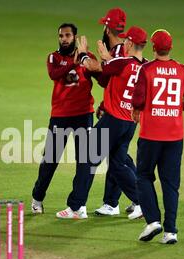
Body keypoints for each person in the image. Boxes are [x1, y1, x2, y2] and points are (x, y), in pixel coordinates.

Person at [56, 26, 147, 219]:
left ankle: (76, 207)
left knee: (87, 158)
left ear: (129, 43)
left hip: (113, 120)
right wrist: (107, 59)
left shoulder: (122, 62)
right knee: (117, 164)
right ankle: (141, 202)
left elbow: (93, 66)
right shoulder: (146, 66)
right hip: (131, 123)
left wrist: (81, 55)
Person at [132, 29, 184, 244]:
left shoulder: (147, 69)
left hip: (151, 134)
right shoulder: (183, 70)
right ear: (171, 47)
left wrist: (140, 109)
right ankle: (171, 231)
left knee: (143, 175)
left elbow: (138, 99)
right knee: (170, 184)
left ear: (153, 47)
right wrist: (172, 109)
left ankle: (152, 221)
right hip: (174, 135)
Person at [31, 23, 99, 214]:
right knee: (50, 160)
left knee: (84, 161)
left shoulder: (86, 57)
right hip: (60, 116)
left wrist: (92, 62)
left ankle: (79, 205)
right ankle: (37, 198)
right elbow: (54, 74)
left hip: (84, 114)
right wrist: (73, 63)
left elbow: (101, 77)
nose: (64, 39)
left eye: (68, 35)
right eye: (61, 36)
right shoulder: (54, 57)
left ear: (74, 37)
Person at [93, 8, 144, 219]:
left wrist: (92, 62)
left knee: (94, 153)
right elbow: (122, 85)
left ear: (107, 28)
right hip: (129, 116)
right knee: (117, 159)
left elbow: (107, 76)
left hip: (118, 116)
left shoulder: (118, 56)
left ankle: (77, 205)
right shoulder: (142, 63)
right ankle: (111, 203)